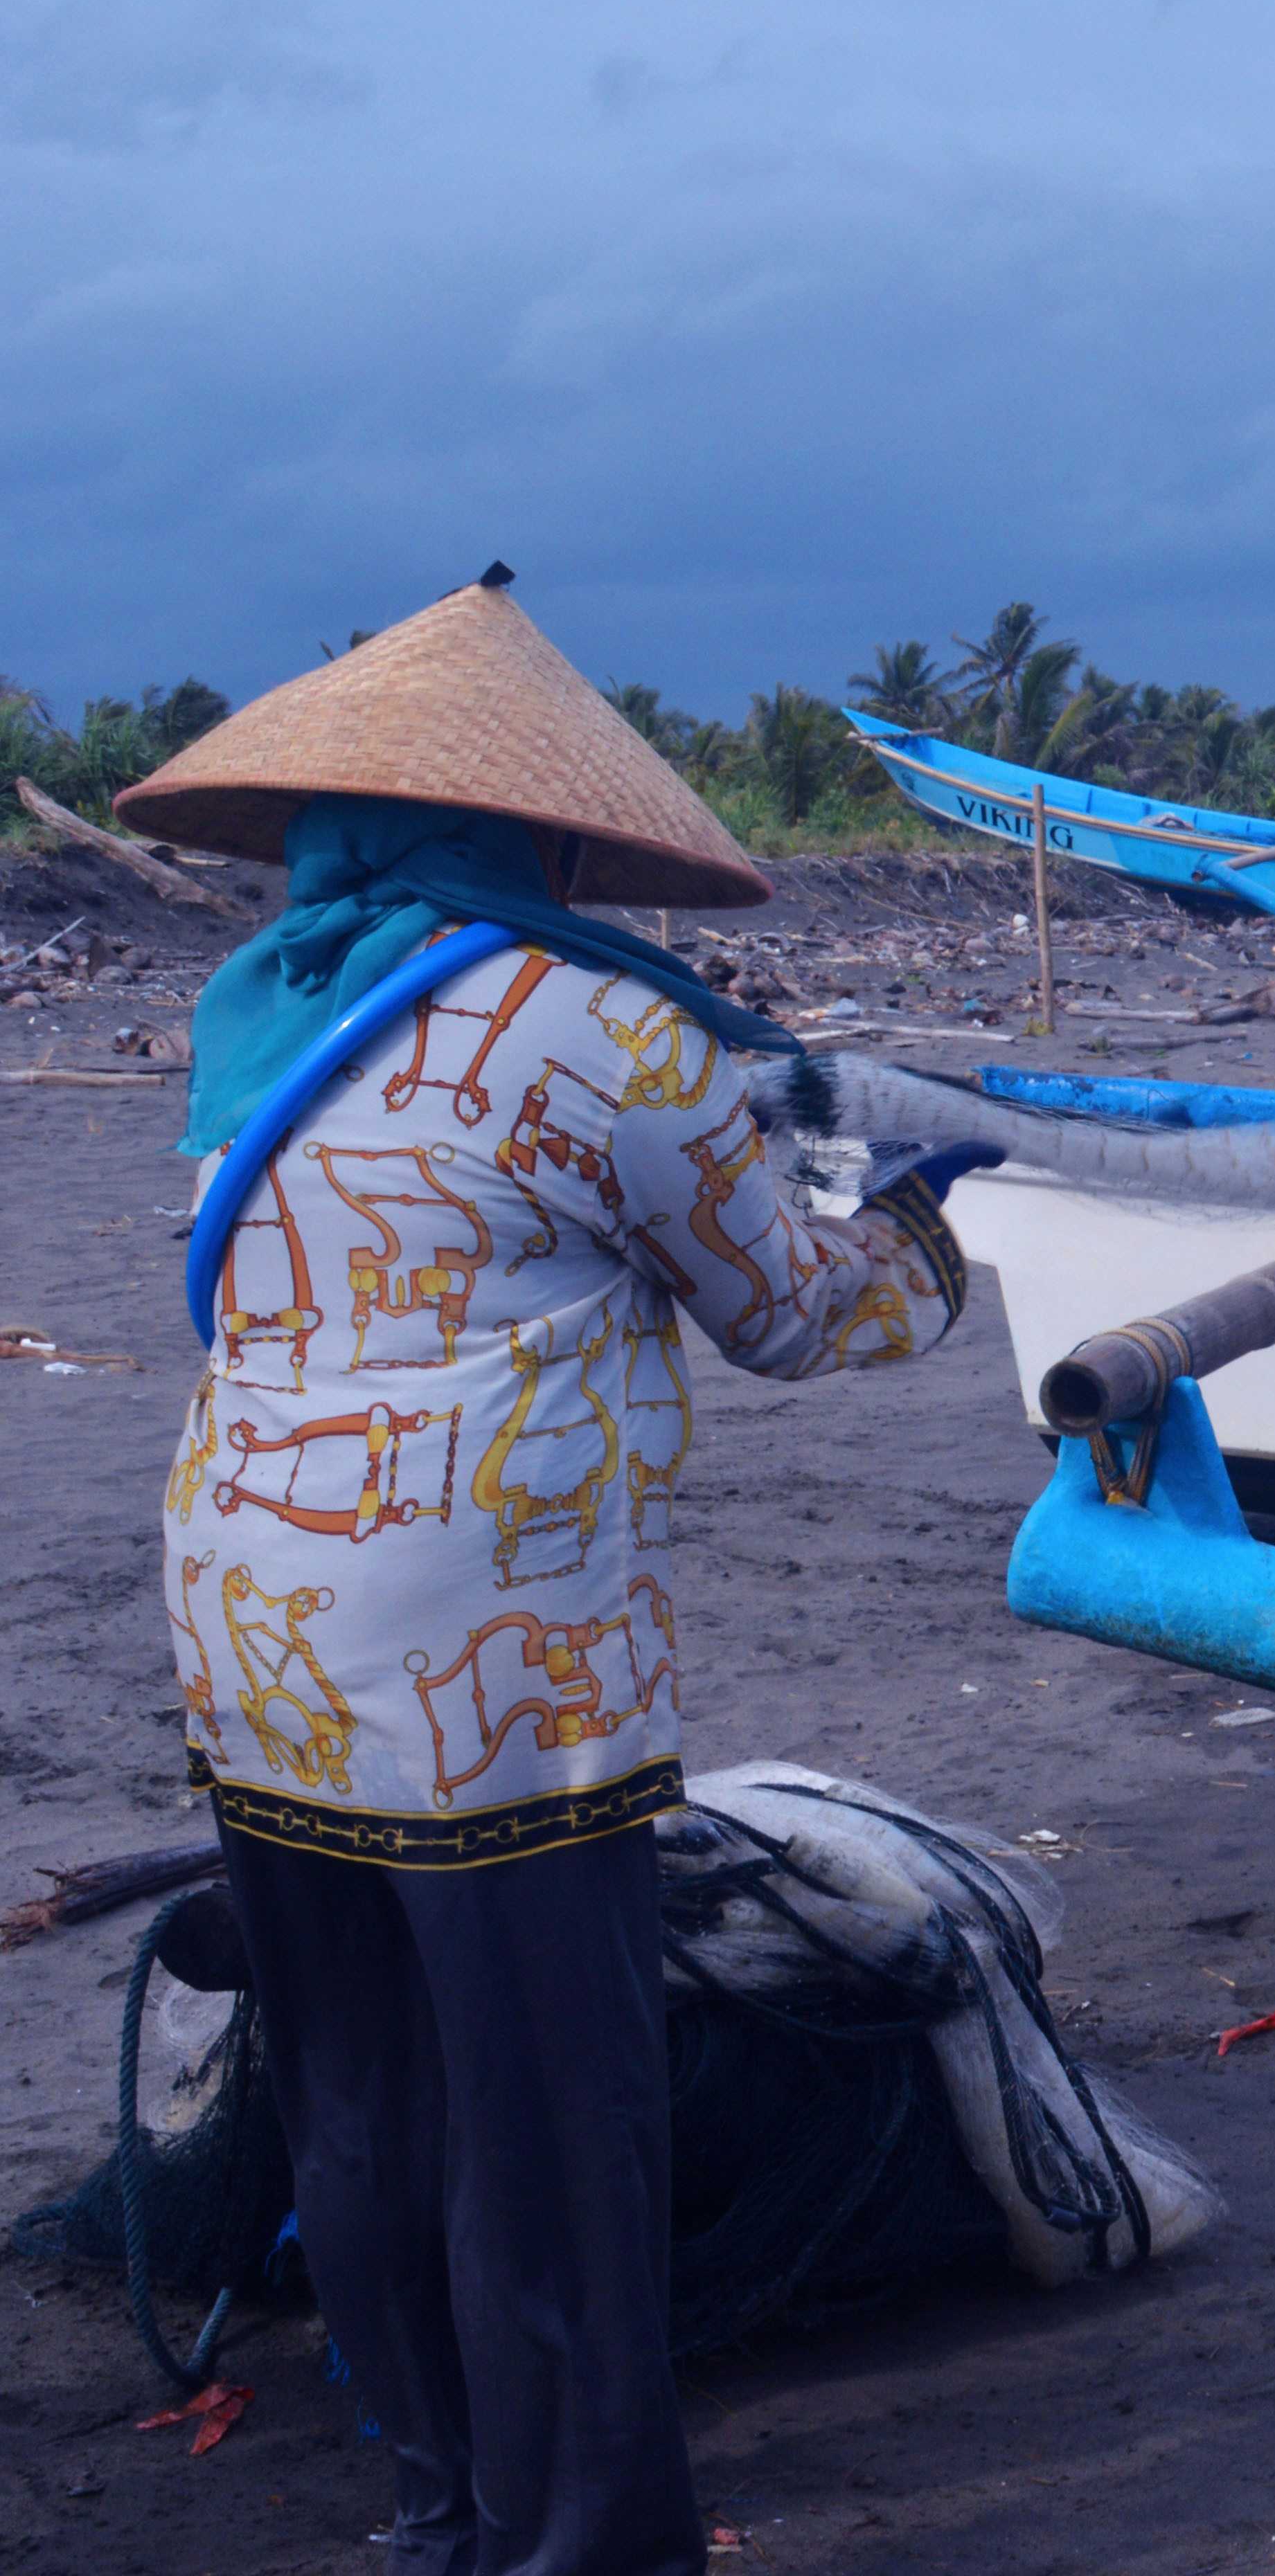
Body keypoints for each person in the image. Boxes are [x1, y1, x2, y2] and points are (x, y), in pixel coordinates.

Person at [118, 569, 995, 2576]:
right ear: (536, 829)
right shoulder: (598, 1023)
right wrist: (929, 1223)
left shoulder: (261, 1015)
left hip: (254, 1621)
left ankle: (439, 2508)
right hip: (484, 1659)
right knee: (552, 2119)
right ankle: (582, 2541)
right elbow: (793, 1318)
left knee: (359, 2097)